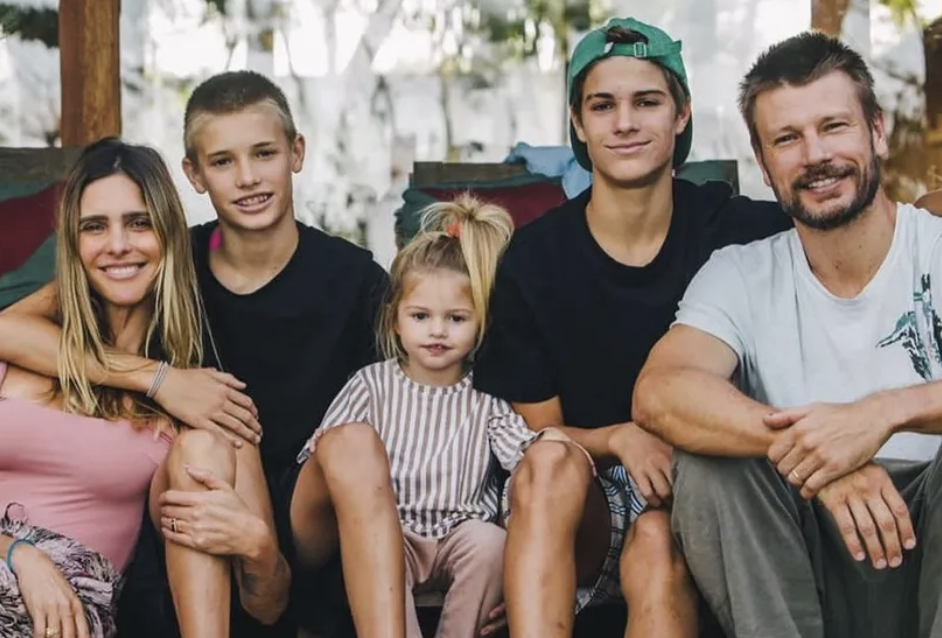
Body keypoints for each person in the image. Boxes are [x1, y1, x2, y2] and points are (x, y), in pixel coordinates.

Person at [2, 72, 400, 638]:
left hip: (305, 506)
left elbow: (405, 404)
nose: (247, 178)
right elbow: (11, 329)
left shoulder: (353, 278)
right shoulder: (172, 261)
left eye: (263, 153)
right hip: (201, 495)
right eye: (222, 162)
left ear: (296, 152)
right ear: (194, 175)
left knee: (335, 445)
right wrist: (159, 379)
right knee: (202, 448)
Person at [471, 16, 798, 638]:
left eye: (647, 102)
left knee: (655, 540)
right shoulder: (536, 261)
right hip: (590, 510)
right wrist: (620, 436)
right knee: (547, 465)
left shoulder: (743, 233)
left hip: (712, 500)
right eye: (603, 105)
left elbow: (862, 226)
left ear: (681, 115)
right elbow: (536, 437)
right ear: (578, 124)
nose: (624, 122)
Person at [633, 32, 942, 638]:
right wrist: (821, 458)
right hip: (800, 555)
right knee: (709, 462)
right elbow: (661, 391)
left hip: (930, 532)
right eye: (787, 139)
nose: (815, 155)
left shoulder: (934, 244)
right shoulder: (740, 273)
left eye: (834, 126)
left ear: (877, 132)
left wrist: (880, 415)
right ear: (763, 159)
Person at [0, 138, 287, 638]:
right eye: (94, 227)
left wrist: (258, 545)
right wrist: (17, 554)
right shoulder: (15, 360)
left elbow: (268, 607)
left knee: (201, 447)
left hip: (61, 616)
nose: (117, 244)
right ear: (73, 245)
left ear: (169, 237)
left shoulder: (203, 410)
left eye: (139, 223)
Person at [297, 194, 566, 638]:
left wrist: (554, 446)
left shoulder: (486, 396)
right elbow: (325, 451)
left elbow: (525, 458)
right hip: (392, 535)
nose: (437, 330)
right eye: (421, 316)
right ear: (395, 321)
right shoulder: (371, 384)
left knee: (492, 542)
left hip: (459, 536)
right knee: (375, 551)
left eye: (456, 318)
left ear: (481, 323)